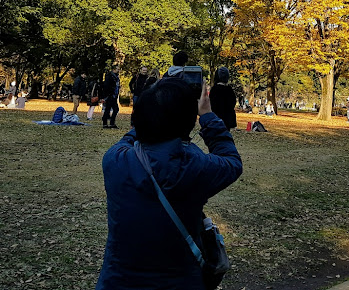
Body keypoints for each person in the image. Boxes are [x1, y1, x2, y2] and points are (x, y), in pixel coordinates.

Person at [95, 75, 242, 290]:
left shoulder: (114, 160)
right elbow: (232, 162)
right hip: (180, 281)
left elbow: (128, 138)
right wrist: (208, 116)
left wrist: (153, 109)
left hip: (117, 281)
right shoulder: (193, 167)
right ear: (189, 121)